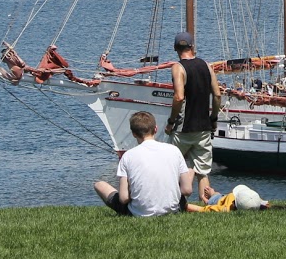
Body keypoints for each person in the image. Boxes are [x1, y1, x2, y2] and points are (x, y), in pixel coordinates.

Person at [94, 111, 192, 217]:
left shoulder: (128, 156)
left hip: (138, 213)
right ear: (155, 129)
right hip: (173, 210)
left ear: (133, 133)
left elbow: (124, 198)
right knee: (190, 171)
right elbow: (187, 190)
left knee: (99, 185)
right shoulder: (174, 150)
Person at [165, 30, 222, 203]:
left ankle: (177, 203)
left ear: (175, 48)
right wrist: (213, 119)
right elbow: (217, 95)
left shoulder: (178, 68)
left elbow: (179, 97)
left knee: (174, 167)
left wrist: (171, 121)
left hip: (183, 128)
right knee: (203, 171)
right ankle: (207, 204)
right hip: (203, 127)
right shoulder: (206, 65)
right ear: (192, 47)